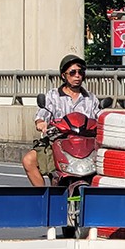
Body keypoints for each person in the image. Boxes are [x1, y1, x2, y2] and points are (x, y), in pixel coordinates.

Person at [21, 54, 103, 187]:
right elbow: (43, 113)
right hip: (58, 143)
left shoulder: (91, 98)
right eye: (72, 72)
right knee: (29, 160)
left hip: (86, 146)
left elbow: (99, 116)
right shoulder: (53, 96)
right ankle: (44, 197)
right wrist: (41, 123)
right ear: (64, 75)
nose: (77, 76)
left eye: (80, 72)